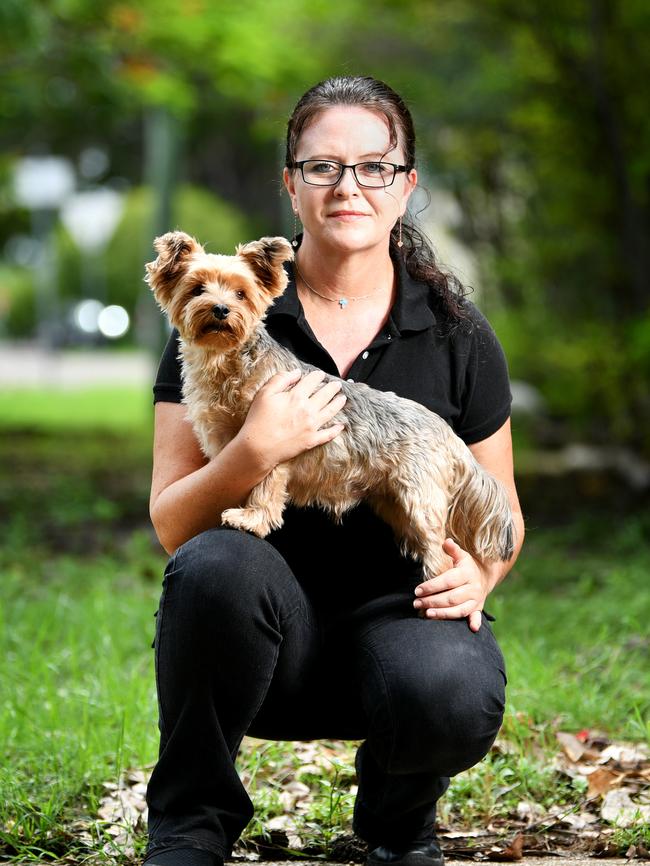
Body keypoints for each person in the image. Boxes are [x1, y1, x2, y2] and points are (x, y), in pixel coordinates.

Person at [144, 75, 525, 866]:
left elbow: (501, 518)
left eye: (374, 166)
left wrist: (481, 577)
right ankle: (191, 824)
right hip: (262, 637)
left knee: (451, 684)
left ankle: (397, 823)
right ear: (291, 184)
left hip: (401, 628)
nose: (348, 186)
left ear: (406, 184)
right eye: (322, 167)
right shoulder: (227, 321)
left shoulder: (457, 333)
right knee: (212, 564)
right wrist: (255, 450)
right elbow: (173, 526)